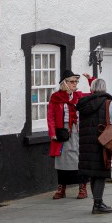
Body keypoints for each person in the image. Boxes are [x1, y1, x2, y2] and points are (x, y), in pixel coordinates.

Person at [76, 78, 112, 214]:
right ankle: (98, 204)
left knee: (92, 173)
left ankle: (97, 201)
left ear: (91, 89)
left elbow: (79, 125)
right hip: (103, 142)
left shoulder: (83, 104)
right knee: (101, 172)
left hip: (86, 143)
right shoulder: (109, 103)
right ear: (105, 89)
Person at [47, 70, 90, 200]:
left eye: (76, 81)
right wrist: (52, 132)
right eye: (72, 81)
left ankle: (82, 188)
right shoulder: (56, 97)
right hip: (62, 131)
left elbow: (96, 93)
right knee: (61, 160)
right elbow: (51, 116)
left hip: (77, 130)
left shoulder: (79, 96)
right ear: (65, 83)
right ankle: (61, 189)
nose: (75, 84)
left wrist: (90, 79)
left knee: (79, 159)